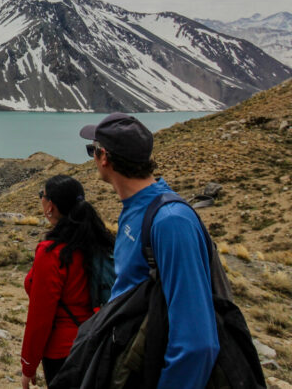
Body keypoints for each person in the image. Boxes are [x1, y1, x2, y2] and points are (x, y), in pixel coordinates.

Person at [81, 112, 219, 389]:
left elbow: (196, 343)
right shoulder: (137, 210)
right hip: (130, 360)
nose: (92, 158)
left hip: (149, 372)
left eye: (91, 151)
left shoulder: (171, 222)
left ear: (104, 157)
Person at [21, 175, 114, 388]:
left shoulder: (51, 253)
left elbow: (40, 316)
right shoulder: (98, 241)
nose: (41, 200)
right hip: (98, 342)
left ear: (50, 206)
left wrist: (28, 364)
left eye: (42, 196)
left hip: (64, 352)